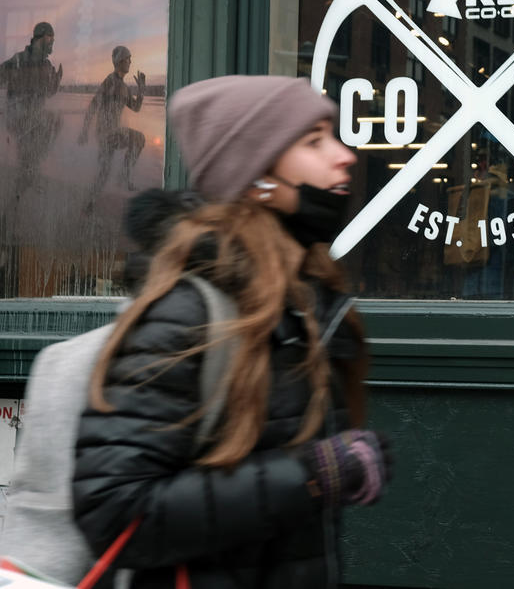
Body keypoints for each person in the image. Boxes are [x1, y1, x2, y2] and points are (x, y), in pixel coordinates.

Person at [72, 75, 393, 588]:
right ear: (257, 177)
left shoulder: (304, 306)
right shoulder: (189, 315)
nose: (345, 154)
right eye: (314, 141)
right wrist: (311, 475)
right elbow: (116, 513)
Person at [1, 21, 63, 199]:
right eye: (50, 36)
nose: (52, 41)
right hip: (18, 116)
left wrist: (56, 82)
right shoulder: (19, 59)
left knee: (54, 121)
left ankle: (26, 176)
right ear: (41, 37)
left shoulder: (47, 66)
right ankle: (28, 172)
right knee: (47, 122)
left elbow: (49, 93)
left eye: (53, 37)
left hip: (35, 120)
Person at [79, 45, 146, 204]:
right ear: (120, 61)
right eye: (128, 58)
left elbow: (135, 108)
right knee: (139, 139)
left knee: (104, 172)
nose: (130, 61)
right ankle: (123, 177)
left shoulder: (124, 87)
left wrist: (141, 92)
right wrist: (84, 131)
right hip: (105, 132)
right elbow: (93, 105)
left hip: (114, 131)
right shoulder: (110, 81)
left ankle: (89, 204)